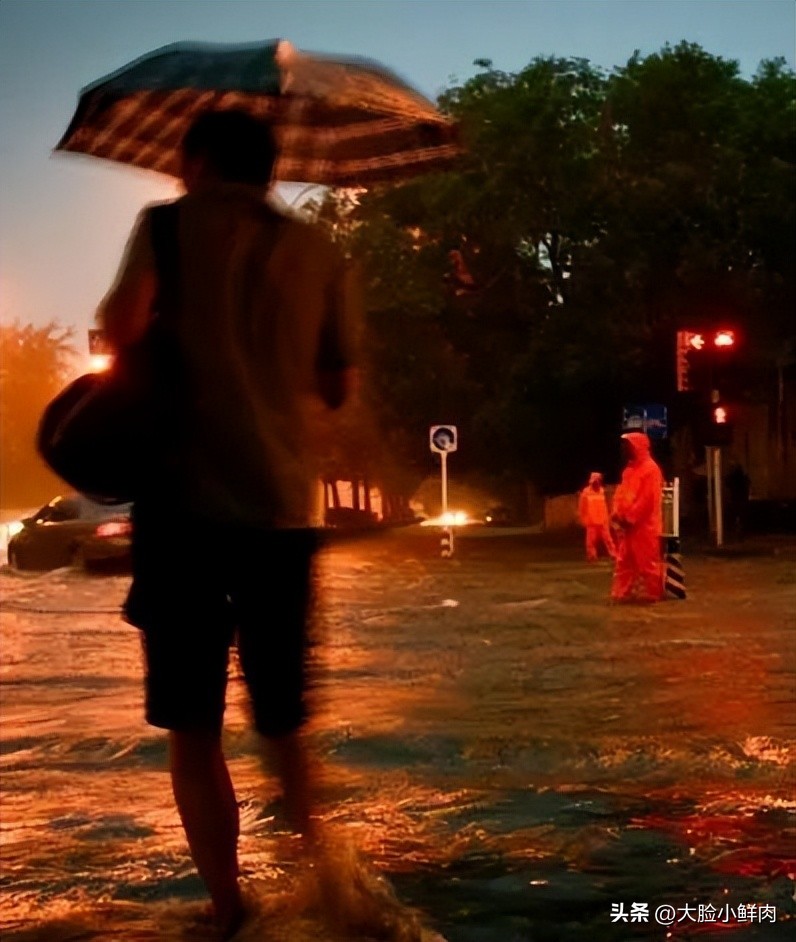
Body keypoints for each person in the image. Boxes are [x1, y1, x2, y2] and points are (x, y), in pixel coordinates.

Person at [97, 110, 361, 939]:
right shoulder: (318, 250)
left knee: (193, 725)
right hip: (283, 511)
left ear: (200, 161)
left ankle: (229, 908)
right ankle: (329, 894)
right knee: (283, 721)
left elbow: (120, 324)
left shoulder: (165, 227)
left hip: (183, 510)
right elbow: (335, 385)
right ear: (273, 166)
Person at [610, 432, 664, 603]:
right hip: (628, 526)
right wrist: (617, 514)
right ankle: (620, 593)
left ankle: (652, 593)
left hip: (644, 526)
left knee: (648, 562)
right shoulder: (629, 471)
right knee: (624, 561)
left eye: (627, 446)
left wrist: (630, 518)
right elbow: (621, 494)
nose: (624, 450)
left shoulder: (651, 469)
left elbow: (647, 500)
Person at [577, 471, 616, 561]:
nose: (597, 482)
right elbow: (582, 506)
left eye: (599, 481)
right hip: (591, 521)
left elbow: (604, 506)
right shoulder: (586, 492)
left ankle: (613, 554)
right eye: (596, 481)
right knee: (591, 541)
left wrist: (607, 518)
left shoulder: (602, 491)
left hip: (602, 520)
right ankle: (592, 556)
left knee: (608, 540)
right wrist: (583, 518)